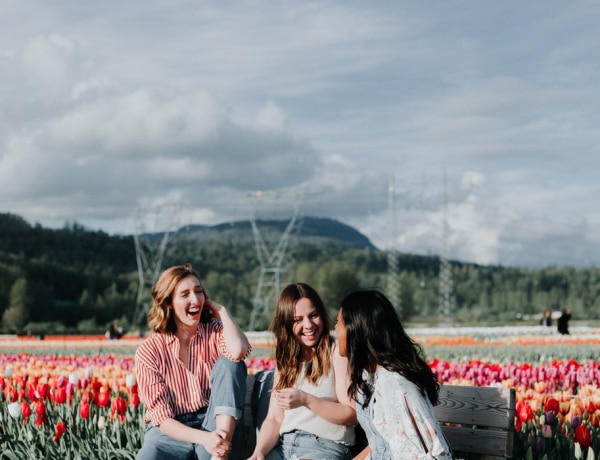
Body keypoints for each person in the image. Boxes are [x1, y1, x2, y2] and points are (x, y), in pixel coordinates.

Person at [135, 263, 251, 460]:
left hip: (214, 423)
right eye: (185, 294)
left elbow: (238, 351)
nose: (195, 299)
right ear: (169, 302)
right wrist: (204, 439)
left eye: (199, 292)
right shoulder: (150, 350)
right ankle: (215, 446)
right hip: (170, 433)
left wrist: (221, 310)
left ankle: (219, 454)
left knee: (230, 363)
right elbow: (162, 419)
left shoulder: (213, 331)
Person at [336, 289, 451, 460]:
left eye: (338, 322)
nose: (335, 328)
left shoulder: (395, 385)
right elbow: (381, 444)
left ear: (356, 328)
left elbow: (421, 454)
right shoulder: (371, 377)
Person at [248, 282, 357, 460]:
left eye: (313, 315)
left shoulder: (336, 352)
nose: (308, 325)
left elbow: (351, 415)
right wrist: (259, 452)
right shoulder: (287, 361)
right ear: (286, 324)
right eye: (297, 320)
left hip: (324, 446)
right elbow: (274, 419)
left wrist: (306, 400)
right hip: (284, 446)